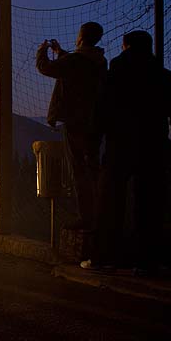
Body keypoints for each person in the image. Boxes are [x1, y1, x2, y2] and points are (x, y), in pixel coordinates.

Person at [86, 31, 171, 275]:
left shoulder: (113, 76)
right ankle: (146, 261)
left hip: (119, 146)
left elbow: (99, 113)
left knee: (109, 203)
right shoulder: (164, 77)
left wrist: (93, 146)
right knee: (149, 205)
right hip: (153, 147)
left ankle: (104, 258)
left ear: (125, 46)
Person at [36, 22, 107, 230]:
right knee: (92, 169)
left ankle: (86, 218)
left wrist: (42, 52)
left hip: (75, 123)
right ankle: (98, 216)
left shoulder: (75, 61)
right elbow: (76, 64)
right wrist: (61, 52)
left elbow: (46, 68)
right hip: (95, 123)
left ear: (81, 37)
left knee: (79, 171)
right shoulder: (99, 62)